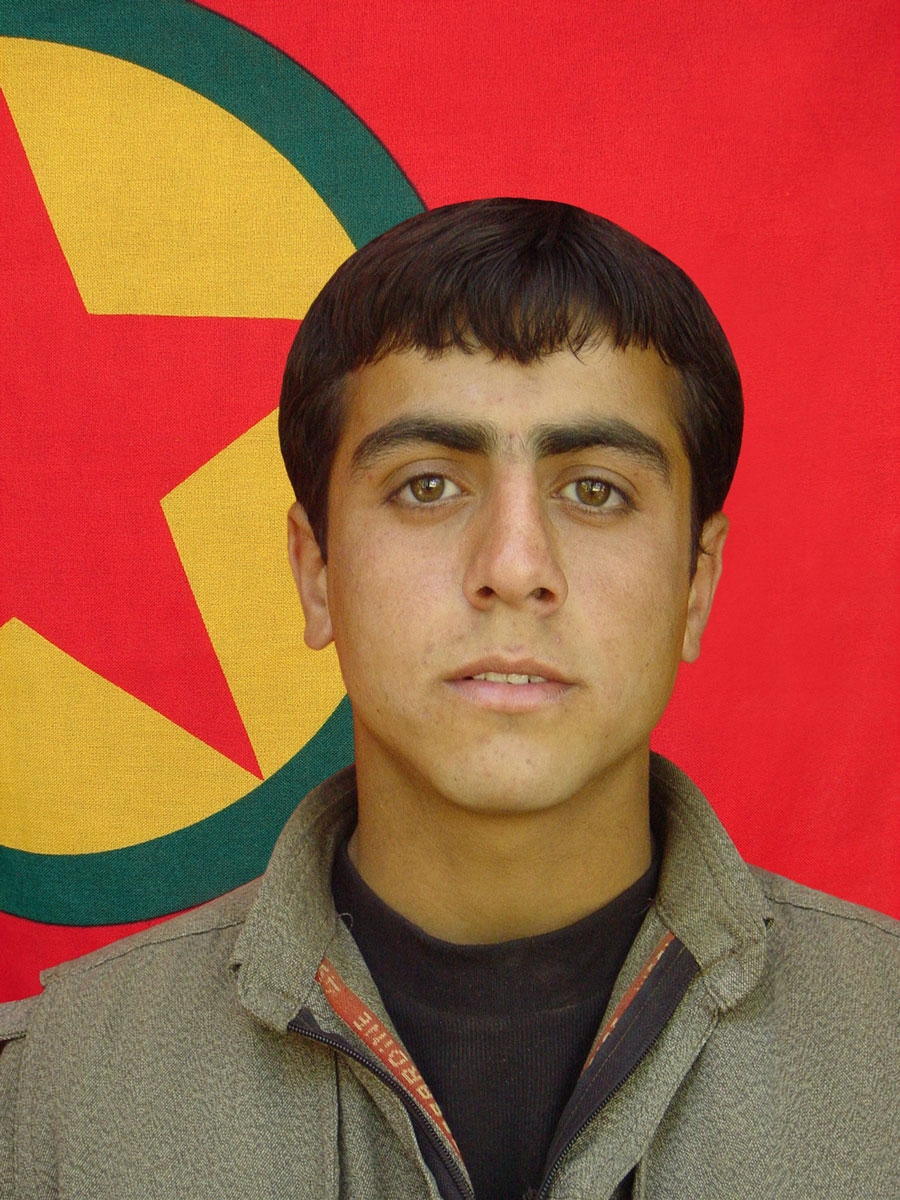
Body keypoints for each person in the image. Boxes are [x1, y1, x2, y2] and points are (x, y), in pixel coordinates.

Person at [1, 199, 897, 1199]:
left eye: (595, 490)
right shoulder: (48, 1107)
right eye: (427, 486)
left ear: (696, 583)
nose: (513, 567)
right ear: (315, 570)